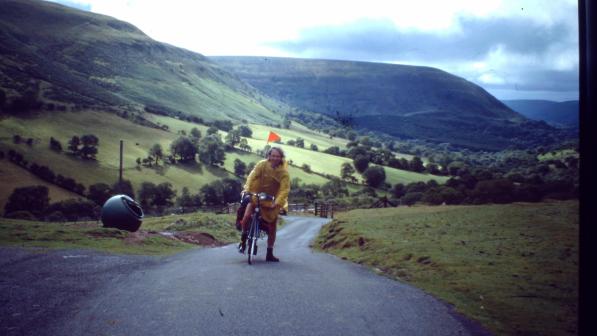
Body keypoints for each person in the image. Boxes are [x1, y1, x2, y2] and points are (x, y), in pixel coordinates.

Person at [238, 147, 290, 262]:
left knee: (272, 227)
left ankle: (269, 253)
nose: (275, 158)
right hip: (256, 197)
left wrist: (276, 203)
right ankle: (243, 239)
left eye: (278, 156)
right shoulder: (262, 165)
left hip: (271, 201)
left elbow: (284, 190)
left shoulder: (284, 173)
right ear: (269, 156)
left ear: (281, 157)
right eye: (273, 155)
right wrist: (247, 189)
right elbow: (252, 176)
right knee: (246, 217)